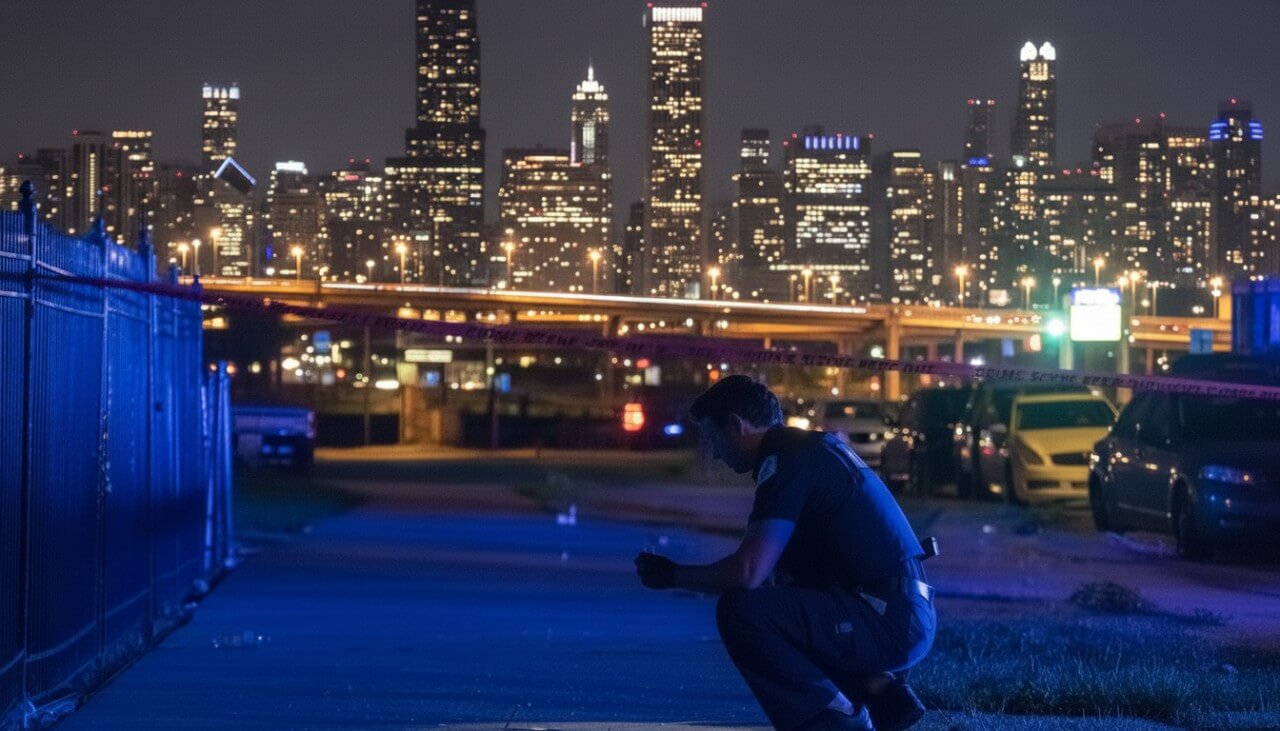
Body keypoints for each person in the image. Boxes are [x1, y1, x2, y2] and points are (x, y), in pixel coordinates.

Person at [635, 375, 935, 731]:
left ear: (736, 425)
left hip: (886, 618)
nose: (715, 454)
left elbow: (746, 572)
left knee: (744, 611)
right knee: (780, 597)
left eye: (714, 439)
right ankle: (874, 688)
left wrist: (671, 575)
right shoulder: (807, 449)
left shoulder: (785, 459)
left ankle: (836, 721)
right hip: (897, 610)